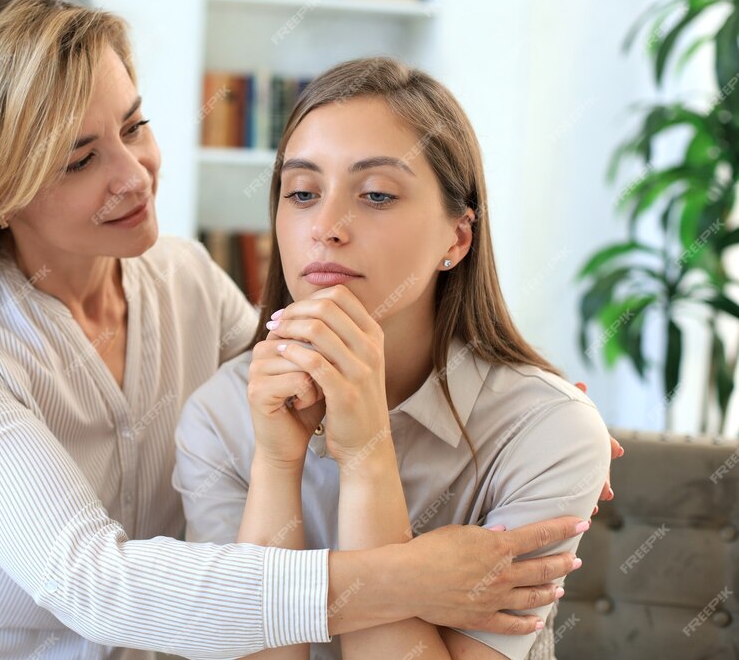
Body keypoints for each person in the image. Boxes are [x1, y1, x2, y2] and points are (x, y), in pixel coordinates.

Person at [0, 0, 606, 659]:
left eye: (134, 126)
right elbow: (93, 584)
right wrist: (410, 576)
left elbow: (303, 367)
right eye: (79, 160)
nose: (133, 174)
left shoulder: (183, 276)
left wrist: (532, 404)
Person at [173, 58, 612, 660]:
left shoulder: (546, 430)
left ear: (457, 239)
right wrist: (276, 463)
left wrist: (366, 453)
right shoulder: (221, 415)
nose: (325, 227)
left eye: (376, 194)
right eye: (301, 193)